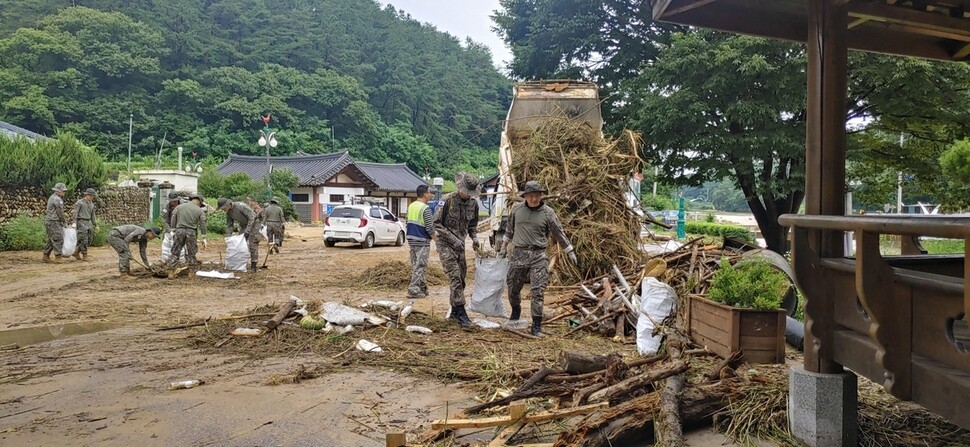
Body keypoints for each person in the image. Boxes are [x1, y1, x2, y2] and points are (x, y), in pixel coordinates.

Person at [501, 181, 576, 336]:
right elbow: (509, 230)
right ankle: (516, 311)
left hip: (539, 255)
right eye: (531, 196)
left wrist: (570, 250)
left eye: (537, 196)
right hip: (519, 254)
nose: (534, 199)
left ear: (541, 196)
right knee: (513, 287)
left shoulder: (548, 213)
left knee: (538, 290)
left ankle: (536, 325)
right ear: (525, 196)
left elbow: (559, 233)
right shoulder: (516, 210)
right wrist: (502, 248)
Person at [433, 172, 481, 328]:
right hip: (446, 244)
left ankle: (454, 312)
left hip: (460, 246)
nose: (468, 195)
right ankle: (462, 314)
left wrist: (474, 239)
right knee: (454, 277)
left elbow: (472, 226)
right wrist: (453, 239)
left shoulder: (473, 205)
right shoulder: (446, 200)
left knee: (461, 279)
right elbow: (437, 224)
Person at [406, 184, 435, 299]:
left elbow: (407, 222)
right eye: (429, 192)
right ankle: (413, 289)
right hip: (422, 240)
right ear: (425, 194)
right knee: (420, 265)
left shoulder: (411, 206)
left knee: (416, 265)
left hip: (411, 239)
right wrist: (436, 239)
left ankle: (422, 288)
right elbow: (429, 227)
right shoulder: (425, 208)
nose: (430, 195)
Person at [219, 197, 261, 272]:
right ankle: (240, 263)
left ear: (229, 204)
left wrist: (247, 231)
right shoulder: (228, 213)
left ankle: (253, 264)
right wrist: (228, 237)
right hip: (243, 226)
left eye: (224, 208)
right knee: (239, 243)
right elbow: (229, 225)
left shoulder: (241, 206)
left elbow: (252, 217)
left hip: (254, 224)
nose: (223, 210)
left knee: (252, 243)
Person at [168, 194, 207, 268]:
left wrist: (173, 230)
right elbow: (203, 224)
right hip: (191, 232)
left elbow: (173, 218)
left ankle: (171, 271)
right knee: (191, 253)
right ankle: (191, 273)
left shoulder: (179, 207)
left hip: (179, 231)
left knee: (175, 252)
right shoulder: (200, 211)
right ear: (199, 202)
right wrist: (204, 237)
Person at [42, 183, 68, 264]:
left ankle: (46, 255)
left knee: (51, 239)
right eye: (63, 191)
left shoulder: (52, 197)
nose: (64, 192)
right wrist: (64, 221)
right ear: (58, 191)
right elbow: (60, 212)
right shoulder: (57, 199)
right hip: (54, 221)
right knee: (58, 238)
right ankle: (58, 257)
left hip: (50, 221)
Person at [71, 188, 98, 261]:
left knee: (90, 239)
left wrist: (96, 224)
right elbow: (75, 213)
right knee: (84, 239)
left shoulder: (92, 204)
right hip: (81, 222)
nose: (92, 197)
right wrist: (74, 222)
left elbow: (93, 216)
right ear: (87, 195)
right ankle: (84, 255)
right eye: (91, 196)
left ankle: (76, 252)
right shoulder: (80, 203)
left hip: (88, 222)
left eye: (93, 196)